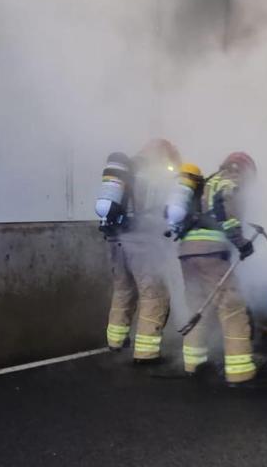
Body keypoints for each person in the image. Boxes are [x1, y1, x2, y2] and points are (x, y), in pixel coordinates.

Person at [177, 151, 258, 383]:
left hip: (186, 253)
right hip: (211, 251)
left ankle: (193, 364)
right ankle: (240, 372)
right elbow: (227, 213)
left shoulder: (205, 182)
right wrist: (240, 242)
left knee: (197, 306)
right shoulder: (230, 182)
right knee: (231, 307)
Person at [98, 139, 181, 363]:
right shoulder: (153, 174)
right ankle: (146, 353)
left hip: (115, 240)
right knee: (153, 294)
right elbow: (160, 212)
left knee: (123, 291)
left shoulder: (126, 172)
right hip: (140, 242)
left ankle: (115, 342)